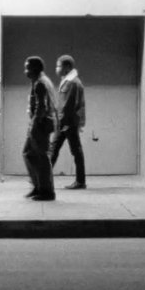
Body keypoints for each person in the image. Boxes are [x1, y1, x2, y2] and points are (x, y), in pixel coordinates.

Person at [21, 56, 56, 201]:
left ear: (34, 68)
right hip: (41, 123)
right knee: (28, 153)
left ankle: (47, 191)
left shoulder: (40, 83)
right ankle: (38, 186)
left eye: (27, 67)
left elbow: (42, 107)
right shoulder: (40, 81)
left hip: (40, 124)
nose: (25, 71)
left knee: (41, 157)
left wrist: (33, 126)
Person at [49, 54, 86, 190]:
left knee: (56, 150)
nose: (57, 68)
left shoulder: (72, 83)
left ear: (67, 67)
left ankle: (44, 180)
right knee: (72, 151)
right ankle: (80, 181)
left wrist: (61, 123)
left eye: (59, 66)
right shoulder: (68, 80)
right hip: (67, 122)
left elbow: (68, 105)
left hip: (67, 123)